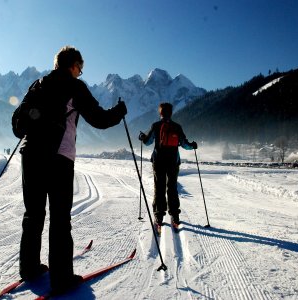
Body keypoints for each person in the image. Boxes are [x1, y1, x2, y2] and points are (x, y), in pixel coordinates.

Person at [19, 45, 127, 294]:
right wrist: (119, 112)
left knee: (33, 214)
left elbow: (19, 119)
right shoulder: (74, 86)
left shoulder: (37, 84)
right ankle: (61, 277)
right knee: (60, 218)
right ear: (72, 65)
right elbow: (99, 119)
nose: (81, 72)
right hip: (59, 158)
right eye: (81, 67)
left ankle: (29, 268)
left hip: (30, 155)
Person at [138, 102, 197, 231]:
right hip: (173, 162)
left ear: (160, 113)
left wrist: (142, 137)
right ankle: (175, 216)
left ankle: (159, 217)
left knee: (159, 187)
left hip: (158, 162)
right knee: (172, 187)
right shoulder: (177, 127)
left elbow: (147, 142)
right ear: (171, 113)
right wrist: (193, 145)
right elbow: (185, 144)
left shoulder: (156, 126)